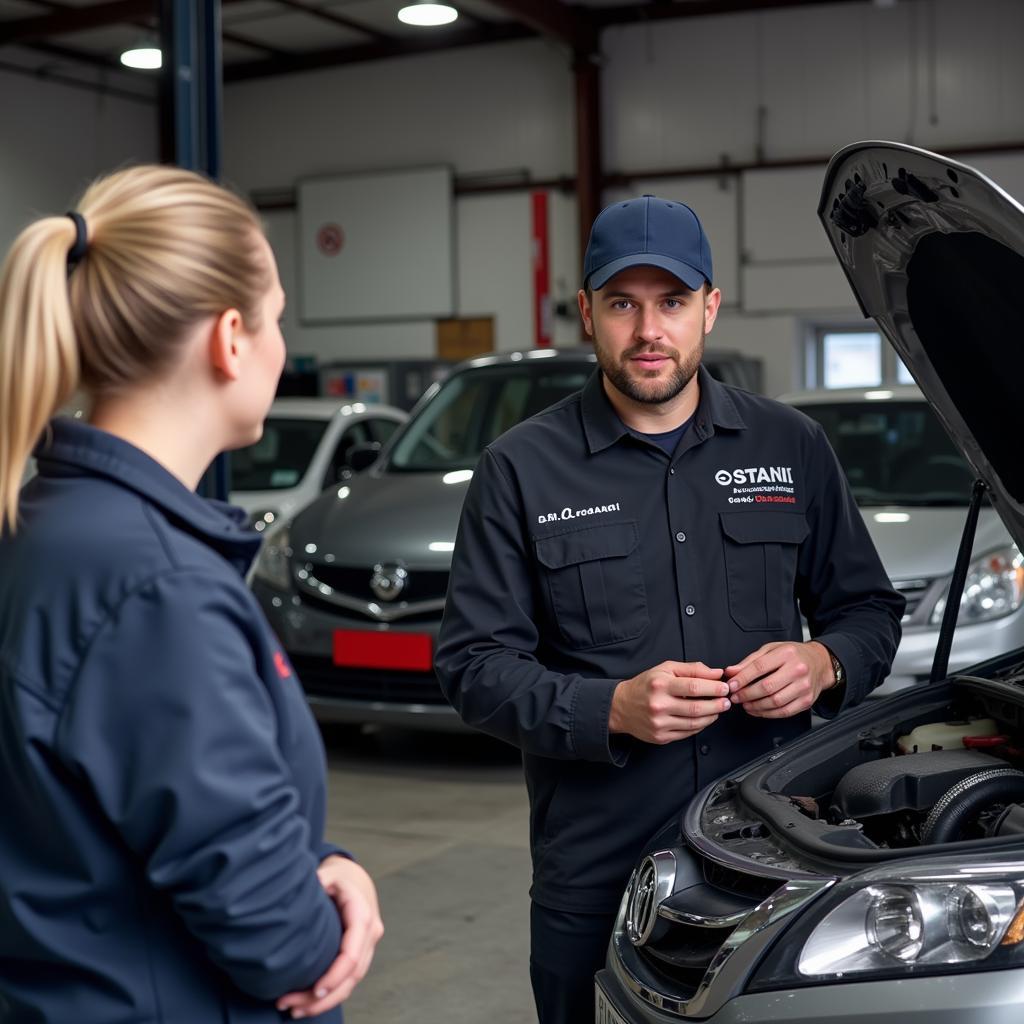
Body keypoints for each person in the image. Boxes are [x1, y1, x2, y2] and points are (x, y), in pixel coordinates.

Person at [434, 194, 904, 1023]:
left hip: (773, 845)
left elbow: (868, 609)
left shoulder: (790, 447)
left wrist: (822, 661)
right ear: (587, 314)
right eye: (623, 303)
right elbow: (473, 666)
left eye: (673, 302)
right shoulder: (520, 469)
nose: (649, 330)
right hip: (596, 864)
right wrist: (606, 707)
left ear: (709, 309)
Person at [0, 166, 383, 1023]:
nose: (281, 345)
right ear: (230, 338)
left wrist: (319, 856)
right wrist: (335, 889)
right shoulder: (153, 588)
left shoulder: (49, 526)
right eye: (278, 317)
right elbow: (286, 949)